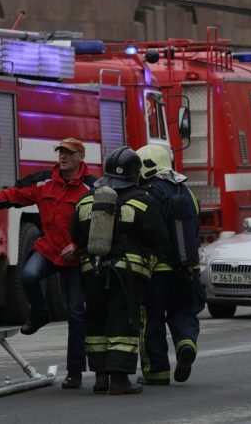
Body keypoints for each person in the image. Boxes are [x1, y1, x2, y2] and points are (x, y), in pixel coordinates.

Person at [0, 137, 95, 390]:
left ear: (81, 156)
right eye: (61, 152)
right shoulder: (44, 182)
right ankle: (40, 313)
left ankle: (74, 372)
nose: (63, 157)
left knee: (77, 313)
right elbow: (13, 196)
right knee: (28, 275)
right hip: (49, 250)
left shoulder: (92, 188)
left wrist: (80, 247)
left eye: (68, 153)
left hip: (76, 257)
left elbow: (102, 225)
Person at [70, 146, 167, 395]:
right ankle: (121, 380)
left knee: (96, 323)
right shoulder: (143, 201)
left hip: (92, 271)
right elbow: (158, 237)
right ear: (135, 173)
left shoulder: (86, 200)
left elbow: (76, 236)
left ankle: (101, 377)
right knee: (122, 323)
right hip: (127, 275)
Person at [134, 144, 203, 386]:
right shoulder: (188, 193)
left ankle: (156, 372)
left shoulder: (147, 194)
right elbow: (195, 228)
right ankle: (186, 343)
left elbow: (143, 231)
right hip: (187, 268)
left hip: (156, 271)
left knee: (151, 319)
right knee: (183, 311)